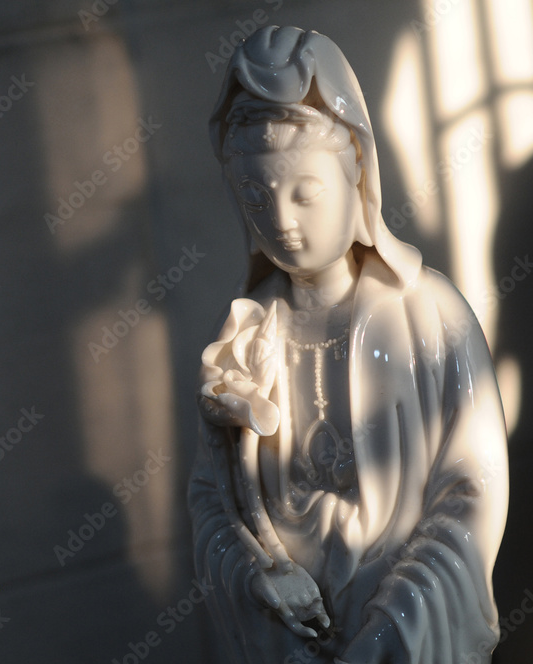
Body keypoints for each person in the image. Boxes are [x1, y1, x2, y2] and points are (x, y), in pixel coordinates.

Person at [190, 26, 508, 663]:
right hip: (290, 637)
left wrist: (388, 634)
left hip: (395, 629)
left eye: (306, 193)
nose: (283, 220)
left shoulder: (429, 316)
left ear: (357, 169)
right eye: (257, 198)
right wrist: (258, 580)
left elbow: (471, 493)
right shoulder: (246, 337)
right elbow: (211, 500)